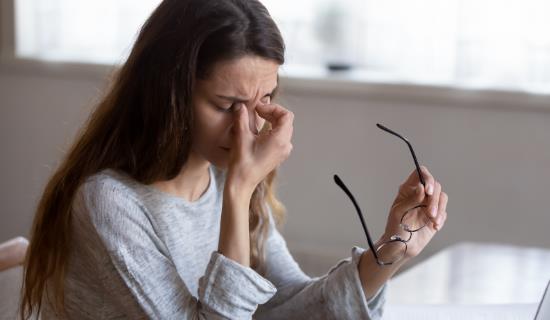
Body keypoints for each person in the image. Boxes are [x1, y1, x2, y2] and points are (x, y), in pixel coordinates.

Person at [20, 0, 449, 319]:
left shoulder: (226, 179)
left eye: (264, 100)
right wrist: (241, 191)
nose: (247, 128)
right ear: (168, 95)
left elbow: (287, 306)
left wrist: (393, 249)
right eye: (226, 105)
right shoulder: (109, 204)